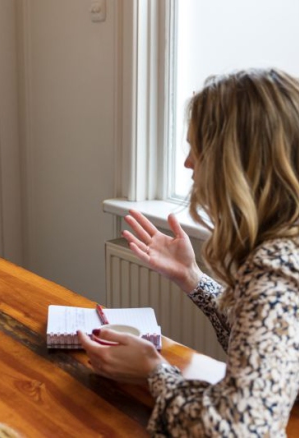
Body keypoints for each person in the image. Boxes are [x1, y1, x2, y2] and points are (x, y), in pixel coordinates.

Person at [78, 68, 299, 436]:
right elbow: (267, 349)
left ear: (234, 161)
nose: (188, 163)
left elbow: (236, 430)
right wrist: (192, 279)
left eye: (196, 147)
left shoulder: (274, 268)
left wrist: (154, 371)